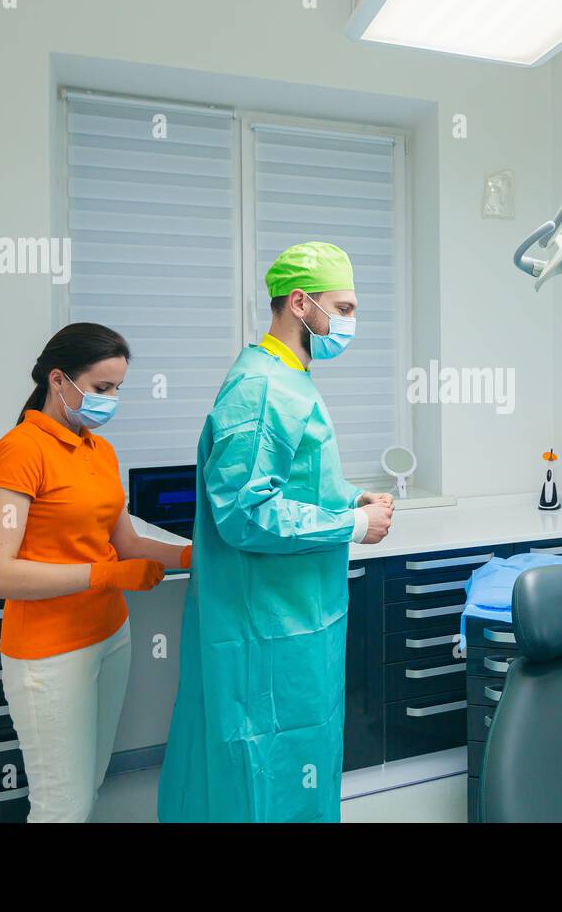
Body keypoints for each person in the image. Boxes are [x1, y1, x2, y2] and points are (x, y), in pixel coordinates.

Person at [159, 242, 394, 823]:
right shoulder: (262, 387)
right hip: (264, 627)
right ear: (299, 303)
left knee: (296, 756)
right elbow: (244, 512)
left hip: (296, 617)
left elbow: (294, 484)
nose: (350, 323)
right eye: (342, 308)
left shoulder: (291, 378)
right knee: (259, 764)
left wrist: (347, 497)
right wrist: (354, 523)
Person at [0, 323, 192, 822]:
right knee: (61, 808)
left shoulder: (100, 451)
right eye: (100, 389)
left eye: (116, 389)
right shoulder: (21, 449)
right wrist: (107, 577)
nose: (110, 400)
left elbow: (127, 543)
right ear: (58, 380)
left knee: (89, 787)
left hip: (109, 636)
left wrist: (192, 558)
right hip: (48, 653)